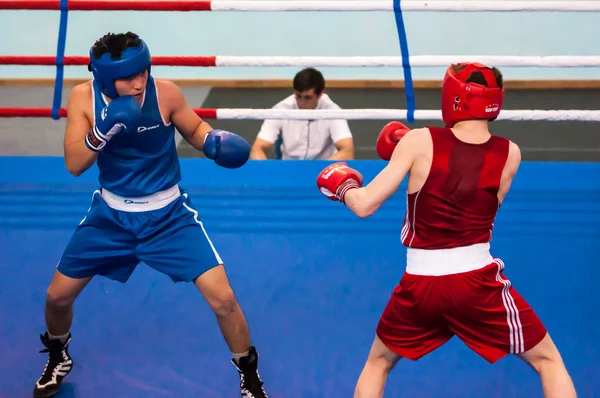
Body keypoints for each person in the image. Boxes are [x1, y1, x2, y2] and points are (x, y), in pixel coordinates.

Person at [316, 62, 577, 398]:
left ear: (454, 96)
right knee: (548, 361)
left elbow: (364, 204)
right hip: (476, 282)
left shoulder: (419, 141)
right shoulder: (511, 154)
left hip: (419, 284)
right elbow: (477, 197)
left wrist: (343, 185)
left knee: (378, 363)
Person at [33, 32, 268, 398]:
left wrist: (212, 142)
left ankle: (249, 375)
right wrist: (102, 131)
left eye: (143, 71)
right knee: (57, 298)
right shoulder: (84, 97)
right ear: (104, 78)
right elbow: (74, 164)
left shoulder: (166, 93)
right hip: (110, 217)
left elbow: (193, 127)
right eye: (129, 77)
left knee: (224, 299)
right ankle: (58, 354)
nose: (139, 82)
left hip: (169, 217)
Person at [249, 67, 354, 160]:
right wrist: (265, 172)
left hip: (323, 169)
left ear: (320, 94)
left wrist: (322, 172)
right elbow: (258, 148)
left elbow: (347, 151)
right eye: (298, 96)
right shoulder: (281, 110)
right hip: (289, 169)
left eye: (307, 98)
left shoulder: (332, 111)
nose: (302, 103)